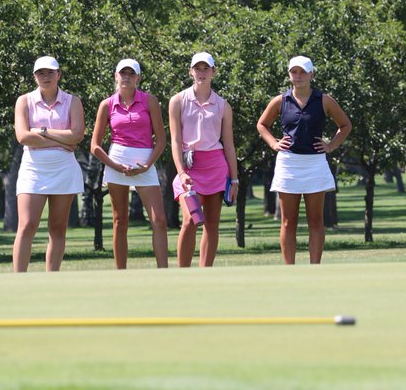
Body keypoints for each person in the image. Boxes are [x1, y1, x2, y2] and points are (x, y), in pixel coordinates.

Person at [256, 55, 353, 264]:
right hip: (288, 163)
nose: (298, 76)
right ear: (289, 75)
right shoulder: (281, 100)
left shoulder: (324, 100)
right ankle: (290, 268)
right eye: (294, 72)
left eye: (302, 72)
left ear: (312, 74)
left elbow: (345, 125)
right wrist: (274, 143)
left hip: (315, 163)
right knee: (288, 221)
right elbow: (262, 125)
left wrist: (331, 145)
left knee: (316, 220)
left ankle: (314, 268)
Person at [89, 59, 170, 269]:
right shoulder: (106, 105)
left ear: (138, 78)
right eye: (122, 73)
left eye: (131, 73)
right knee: (120, 221)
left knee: (159, 220)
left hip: (145, 162)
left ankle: (164, 272)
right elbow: (95, 146)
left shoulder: (150, 101)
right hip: (117, 162)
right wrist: (115, 166)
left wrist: (147, 165)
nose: (126, 77)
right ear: (116, 76)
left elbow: (161, 141)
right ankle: (121, 273)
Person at [12, 55, 85, 272]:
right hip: (34, 169)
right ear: (34, 77)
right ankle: (18, 280)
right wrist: (64, 139)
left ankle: (51, 278)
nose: (46, 77)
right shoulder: (24, 101)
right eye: (40, 73)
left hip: (64, 170)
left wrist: (42, 131)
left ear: (58, 74)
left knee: (57, 227)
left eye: (50, 72)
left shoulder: (73, 101)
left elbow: (77, 135)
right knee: (26, 226)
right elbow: (23, 137)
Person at [168, 51, 238, 267]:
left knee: (211, 223)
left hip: (216, 166)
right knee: (190, 220)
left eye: (206, 68)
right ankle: (183, 273)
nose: (201, 72)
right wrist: (180, 173)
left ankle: (204, 273)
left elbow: (228, 144)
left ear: (213, 72)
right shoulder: (178, 101)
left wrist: (234, 180)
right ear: (190, 71)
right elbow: (176, 141)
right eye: (197, 68)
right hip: (188, 168)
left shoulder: (223, 105)